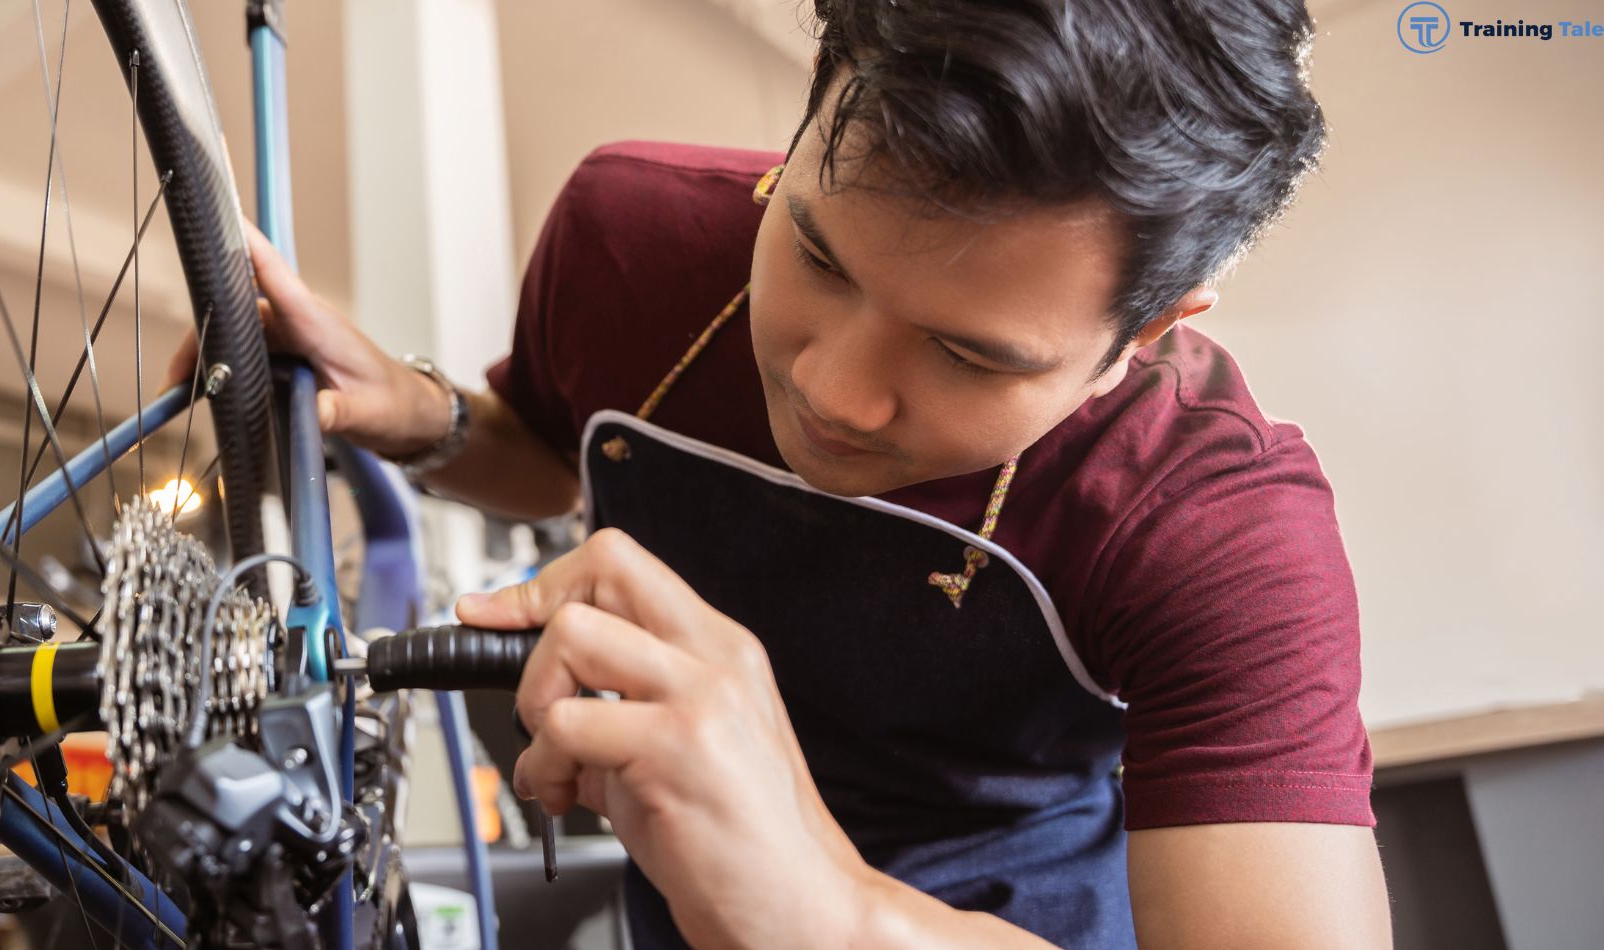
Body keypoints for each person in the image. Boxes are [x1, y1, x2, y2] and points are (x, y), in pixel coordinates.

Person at [183, 0, 1390, 945]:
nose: (831, 389)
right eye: (815, 253)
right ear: (805, 126)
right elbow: (555, 455)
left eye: (968, 353)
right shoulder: (629, 242)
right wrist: (423, 411)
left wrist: (827, 908)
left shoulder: (1216, 527)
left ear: (1144, 334)